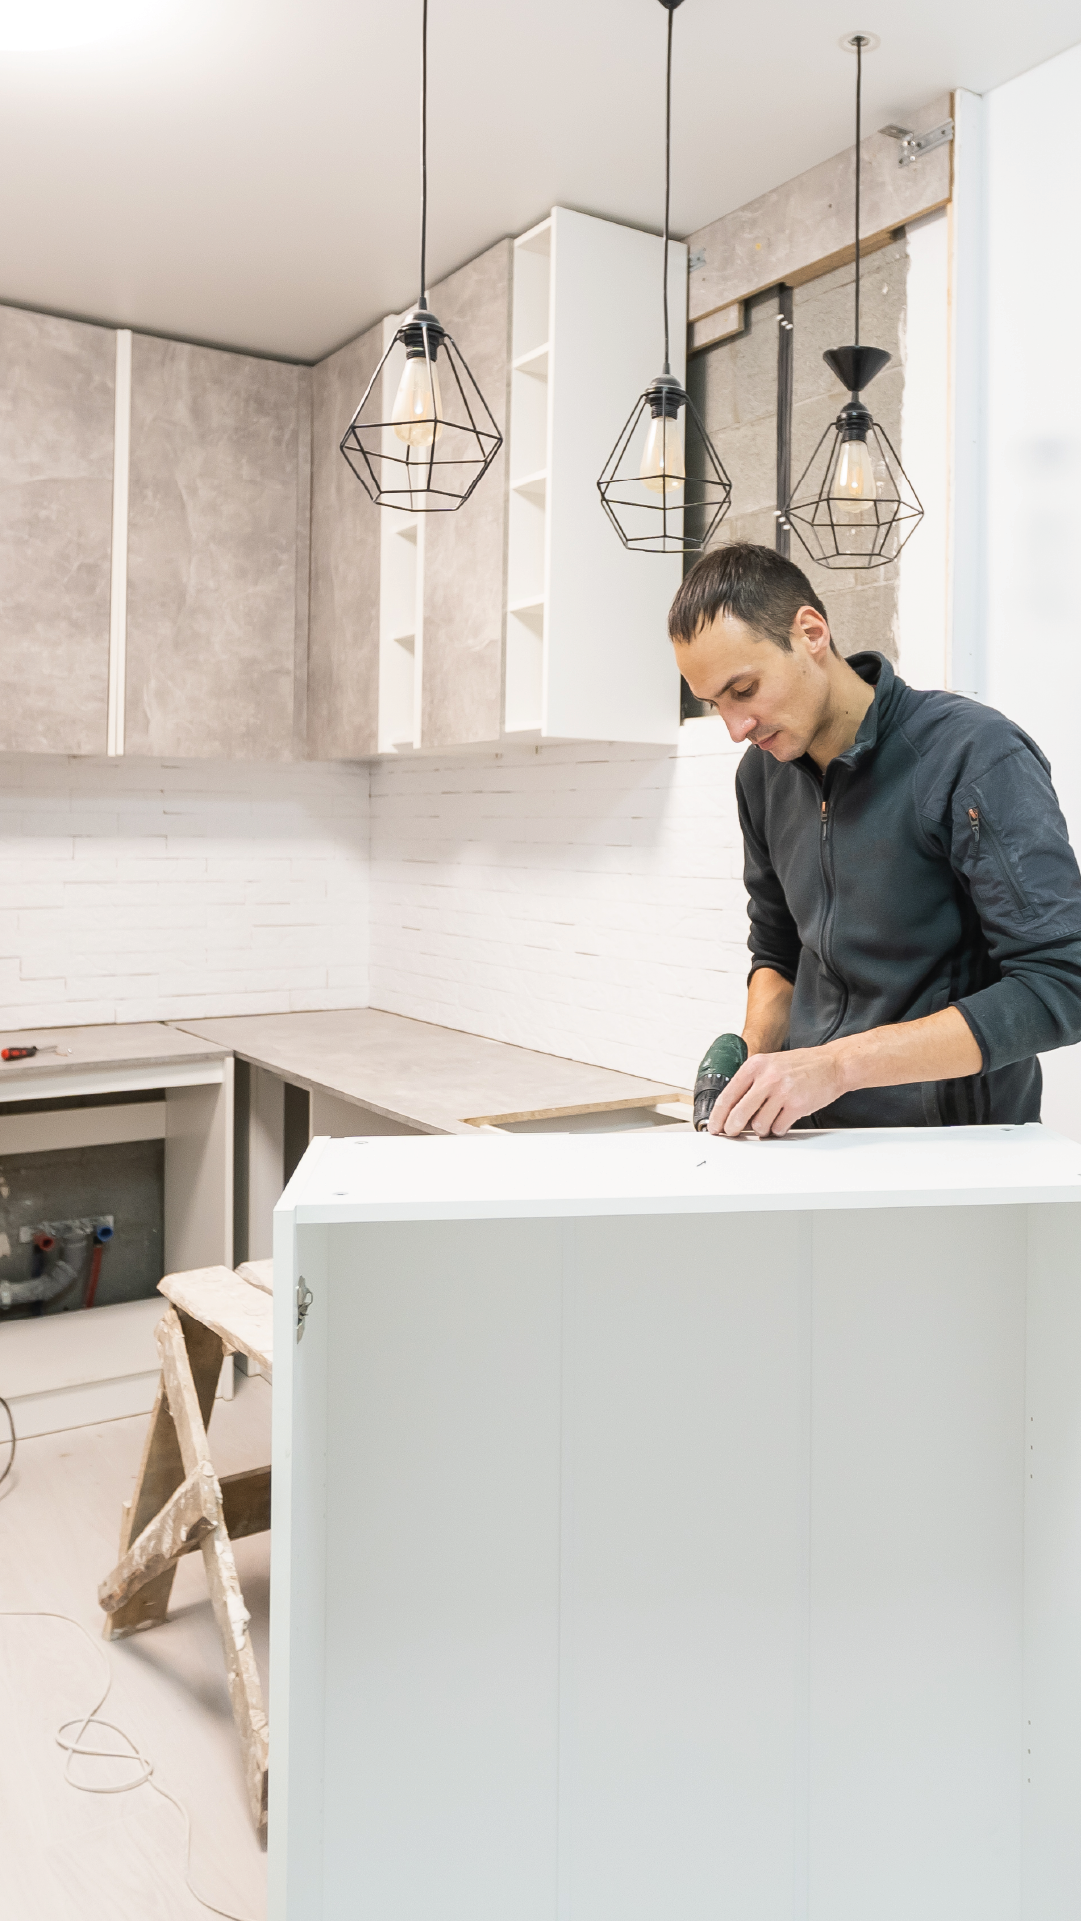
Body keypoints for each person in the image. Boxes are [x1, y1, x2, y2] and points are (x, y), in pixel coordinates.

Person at [669, 542, 1081, 1137]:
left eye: (745, 689)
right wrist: (754, 1057)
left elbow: (1062, 981)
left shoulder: (971, 755)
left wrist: (836, 1066)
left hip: (954, 1148)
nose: (736, 728)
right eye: (715, 704)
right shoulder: (761, 777)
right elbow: (778, 953)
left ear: (811, 633)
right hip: (809, 1135)